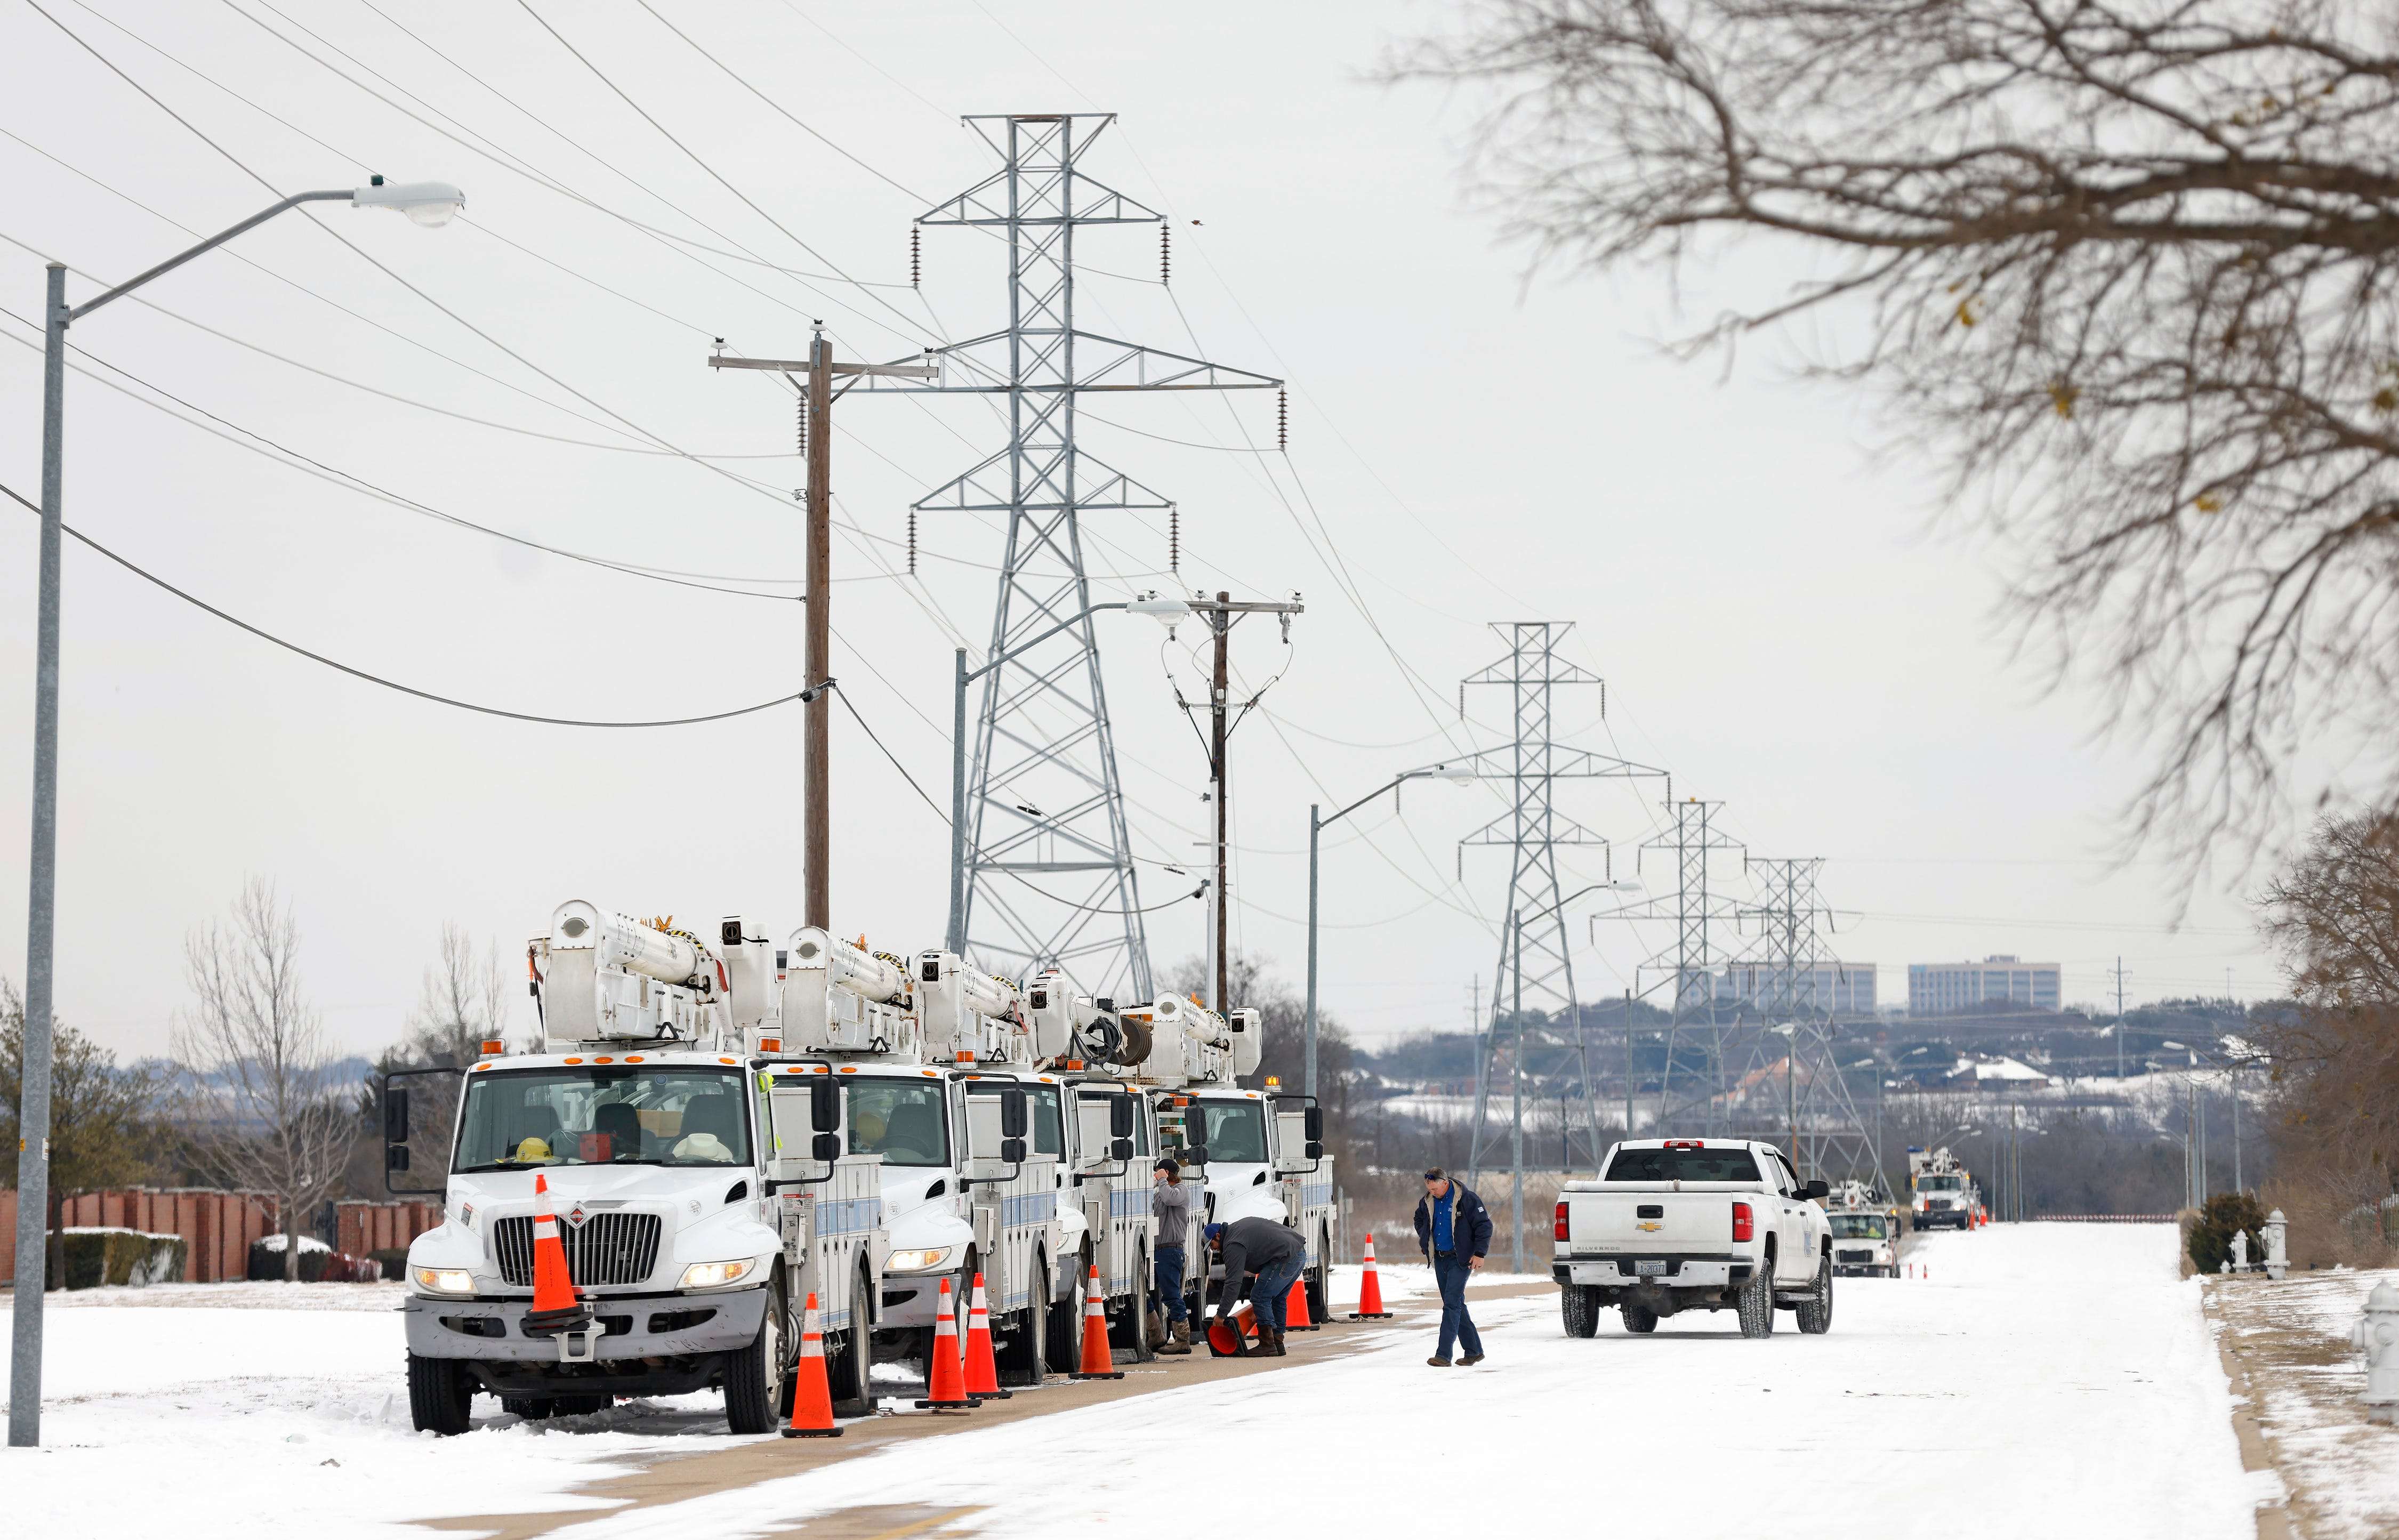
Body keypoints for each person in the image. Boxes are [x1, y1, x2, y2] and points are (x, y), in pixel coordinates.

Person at [1412, 1167, 1492, 1367]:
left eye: (1435, 1188)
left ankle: (1443, 1355)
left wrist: (1480, 1253)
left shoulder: (1467, 1199)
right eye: (1429, 1188)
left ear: (1445, 1183)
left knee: (1451, 1305)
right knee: (1456, 1304)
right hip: (1440, 1258)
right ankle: (1474, 1351)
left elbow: (1484, 1226)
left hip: (1461, 1259)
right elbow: (1419, 1219)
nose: (1432, 1191)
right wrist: (1426, 1241)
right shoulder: (1427, 1201)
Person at [1209, 1216, 1306, 1357]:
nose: (1214, 1250)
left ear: (1218, 1236)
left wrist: (1221, 1314)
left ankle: (1268, 1344)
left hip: (1286, 1257)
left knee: (1260, 1296)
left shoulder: (1232, 1244)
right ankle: (1277, 1342)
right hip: (1298, 1253)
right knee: (1278, 1298)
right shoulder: (1236, 1231)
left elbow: (1233, 1283)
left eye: (1212, 1245)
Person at [1152, 1157, 1194, 1354]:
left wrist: (1162, 1181)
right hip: (1159, 1250)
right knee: (1146, 1293)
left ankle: (1182, 1339)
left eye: (1159, 1172)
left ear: (1167, 1173)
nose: (1155, 1176)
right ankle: (1155, 1333)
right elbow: (1159, 1209)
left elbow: (1170, 1199)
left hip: (1172, 1250)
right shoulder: (1162, 1191)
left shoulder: (1181, 1191)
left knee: (1172, 1295)